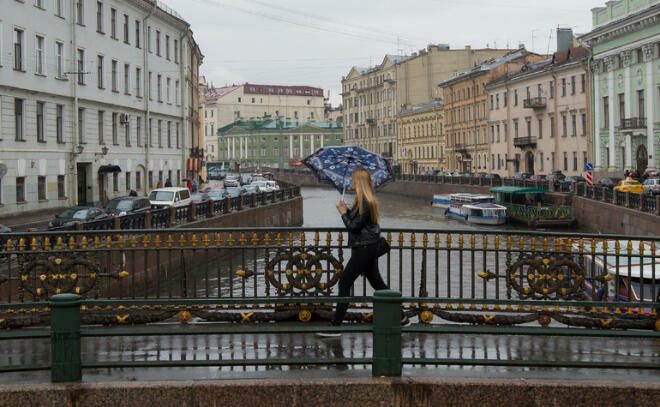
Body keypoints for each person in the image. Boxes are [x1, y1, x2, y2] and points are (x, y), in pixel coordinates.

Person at [316, 169, 409, 338]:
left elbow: (354, 227)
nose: (351, 182)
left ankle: (336, 327)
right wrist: (347, 209)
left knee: (344, 283)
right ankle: (401, 316)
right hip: (369, 248)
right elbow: (358, 222)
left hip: (364, 249)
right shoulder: (364, 201)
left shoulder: (365, 202)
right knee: (378, 285)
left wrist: (343, 214)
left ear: (359, 182)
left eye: (353, 179)